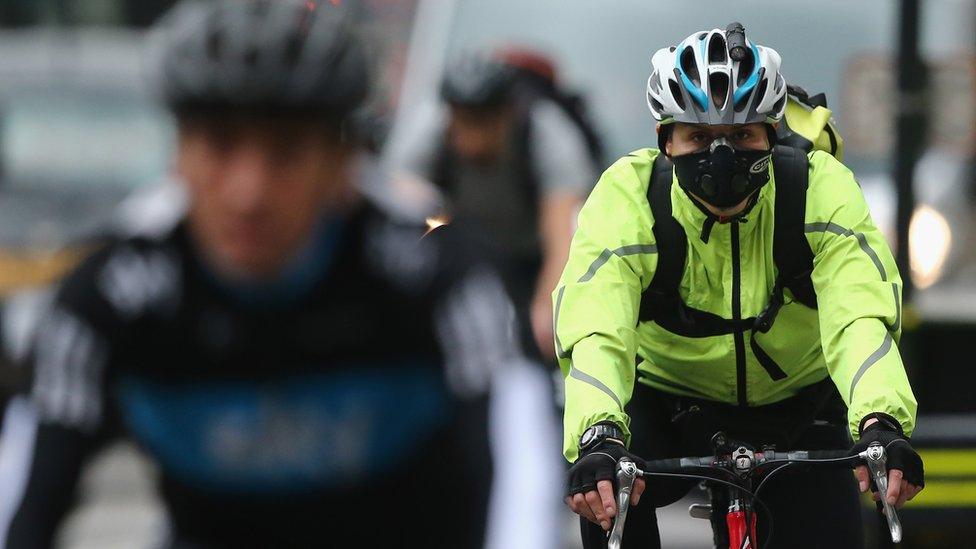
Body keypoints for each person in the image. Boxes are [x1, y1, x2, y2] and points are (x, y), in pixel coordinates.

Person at [0, 2, 562, 547]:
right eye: (220, 146)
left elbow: (520, 473)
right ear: (179, 155)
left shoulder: (438, 277)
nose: (249, 191)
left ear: (342, 164)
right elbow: (24, 499)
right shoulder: (111, 291)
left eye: (286, 151)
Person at [556, 26, 924, 548]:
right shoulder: (627, 196)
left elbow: (859, 315)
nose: (721, 156)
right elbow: (596, 325)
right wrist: (598, 435)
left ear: (772, 136)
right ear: (666, 141)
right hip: (668, 398)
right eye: (699, 138)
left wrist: (880, 420)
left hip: (797, 401)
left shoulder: (819, 188)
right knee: (606, 494)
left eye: (744, 135)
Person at [389, 51, 601, 360]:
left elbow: (563, 239)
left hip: (530, 260)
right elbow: (401, 217)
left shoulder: (547, 134)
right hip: (462, 257)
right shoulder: (426, 131)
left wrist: (548, 311)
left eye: (483, 121)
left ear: (508, 113)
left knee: (543, 333)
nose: (472, 139)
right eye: (462, 122)